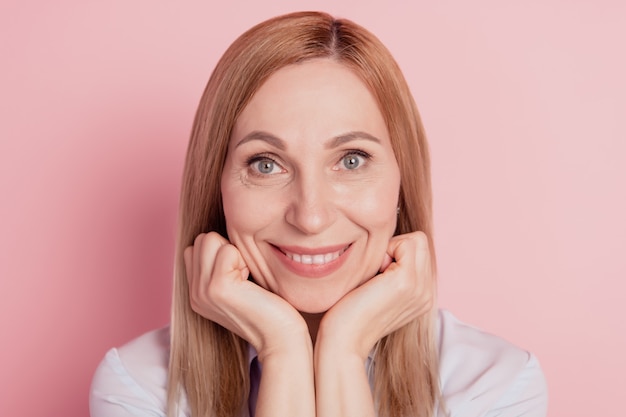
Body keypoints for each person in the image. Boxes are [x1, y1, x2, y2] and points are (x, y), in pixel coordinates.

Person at [90, 11, 548, 417]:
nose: (310, 216)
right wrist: (283, 349)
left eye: (351, 160)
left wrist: (343, 352)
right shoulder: (141, 389)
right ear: (217, 188)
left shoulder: (494, 388)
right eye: (266, 164)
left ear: (401, 183)